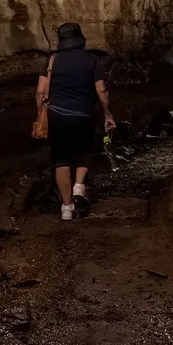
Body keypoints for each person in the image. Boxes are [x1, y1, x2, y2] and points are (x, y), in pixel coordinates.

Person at [35, 21, 116, 220]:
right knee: (86, 150)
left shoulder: (51, 60)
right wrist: (107, 113)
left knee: (61, 159)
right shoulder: (92, 60)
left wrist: (40, 115)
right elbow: (101, 90)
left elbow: (40, 91)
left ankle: (66, 208)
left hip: (57, 114)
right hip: (83, 114)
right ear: (80, 40)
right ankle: (79, 185)